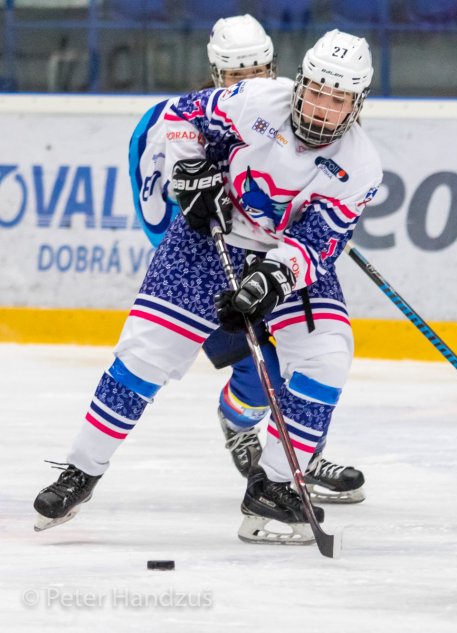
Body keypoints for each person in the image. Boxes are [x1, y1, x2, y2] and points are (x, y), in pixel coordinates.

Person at [34, 28, 381, 545]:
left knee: (327, 354)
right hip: (205, 243)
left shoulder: (360, 166)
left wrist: (273, 278)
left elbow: (317, 244)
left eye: (337, 100)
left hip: (282, 256)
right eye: (315, 92)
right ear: (300, 83)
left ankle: (275, 487)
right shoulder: (256, 100)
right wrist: (189, 172)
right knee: (143, 355)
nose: (321, 108)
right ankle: (80, 472)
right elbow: (182, 116)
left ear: (357, 104)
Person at [130, 14, 365, 504]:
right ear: (217, 72)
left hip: (271, 262)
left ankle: (303, 457)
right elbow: (156, 210)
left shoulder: (281, 109)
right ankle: (239, 423)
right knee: (264, 375)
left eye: (260, 71)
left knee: (316, 358)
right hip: (209, 262)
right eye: (238, 75)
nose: (251, 82)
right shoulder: (179, 121)